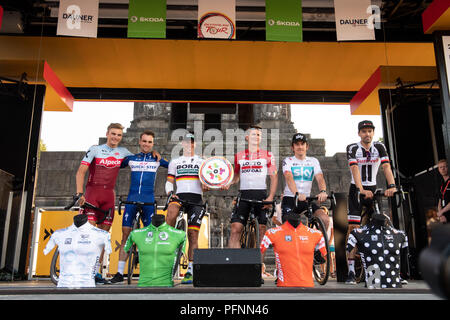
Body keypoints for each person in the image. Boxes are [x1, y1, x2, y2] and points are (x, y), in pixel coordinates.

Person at [75, 122, 133, 284]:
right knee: (89, 236)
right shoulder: (95, 149)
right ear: (107, 134)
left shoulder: (123, 152)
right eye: (113, 134)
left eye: (119, 135)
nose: (115, 137)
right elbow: (81, 171)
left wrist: (155, 153)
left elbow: (141, 159)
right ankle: (83, 270)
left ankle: (96, 272)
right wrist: (79, 193)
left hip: (109, 197)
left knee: (101, 238)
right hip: (92, 195)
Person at [110, 130, 169, 284]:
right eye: (144, 141)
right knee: (126, 235)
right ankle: (118, 273)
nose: (146, 144)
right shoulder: (131, 159)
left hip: (149, 201)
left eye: (149, 142)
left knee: (150, 237)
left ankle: (149, 272)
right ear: (139, 141)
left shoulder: (157, 159)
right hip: (132, 199)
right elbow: (112, 164)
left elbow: (174, 168)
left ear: (153, 144)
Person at [345, 120, 397, 284]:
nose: (367, 134)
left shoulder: (379, 147)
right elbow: (354, 169)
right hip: (356, 190)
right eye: (364, 131)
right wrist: (361, 190)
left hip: (372, 189)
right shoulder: (353, 148)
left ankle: (390, 269)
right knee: (353, 227)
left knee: (383, 227)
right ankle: (351, 271)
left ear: (373, 133)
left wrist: (392, 186)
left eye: (370, 131)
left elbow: (387, 167)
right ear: (359, 133)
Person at [165, 132, 208, 284]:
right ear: (182, 144)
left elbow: (207, 182)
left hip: (196, 200)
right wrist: (170, 193)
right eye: (185, 142)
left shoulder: (202, 161)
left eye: (191, 142)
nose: (188, 145)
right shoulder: (175, 161)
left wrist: (208, 185)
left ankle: (190, 270)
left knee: (193, 235)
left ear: (194, 144)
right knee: (171, 211)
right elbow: (169, 181)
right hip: (180, 197)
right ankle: (167, 237)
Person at [225, 125, 278, 248]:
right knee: (235, 229)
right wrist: (229, 182)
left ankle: (259, 265)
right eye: (253, 134)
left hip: (261, 196)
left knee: (261, 230)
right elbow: (236, 176)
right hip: (244, 195)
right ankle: (235, 263)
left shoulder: (268, 155)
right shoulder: (239, 155)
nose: (256, 137)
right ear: (247, 137)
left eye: (259, 135)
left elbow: (274, 177)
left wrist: (270, 197)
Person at [43, 214, 112, 288]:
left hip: (87, 284)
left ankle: (96, 275)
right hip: (63, 284)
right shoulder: (59, 233)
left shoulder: (103, 234)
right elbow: (45, 252)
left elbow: (108, 251)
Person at [260, 212, 326, 287]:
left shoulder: (316, 234)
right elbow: (260, 250)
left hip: (308, 286)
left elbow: (325, 255)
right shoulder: (271, 233)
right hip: (284, 285)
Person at [280, 133, 330, 231]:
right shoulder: (288, 160)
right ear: (292, 147)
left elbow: (320, 178)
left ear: (307, 146)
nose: (300, 147)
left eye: (302, 144)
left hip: (306, 199)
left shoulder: (313, 161)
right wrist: (297, 194)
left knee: (325, 219)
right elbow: (289, 177)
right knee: (289, 225)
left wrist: (323, 191)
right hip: (290, 198)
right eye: (297, 144)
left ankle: (318, 244)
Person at [346, 213, 408, 288]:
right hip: (373, 285)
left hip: (395, 285)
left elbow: (405, 257)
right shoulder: (358, 233)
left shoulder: (401, 234)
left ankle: (351, 272)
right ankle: (351, 272)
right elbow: (348, 249)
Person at [123, 214, 186, 287]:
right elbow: (126, 249)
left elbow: (180, 254)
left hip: (166, 286)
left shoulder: (180, 235)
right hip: (143, 286)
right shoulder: (135, 234)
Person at [437, 159, 450, 224]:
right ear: (439, 170)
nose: (443, 169)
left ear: (447, 168)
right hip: (445, 218)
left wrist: (441, 212)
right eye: (440, 167)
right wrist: (441, 215)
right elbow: (440, 200)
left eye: (444, 166)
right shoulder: (441, 184)